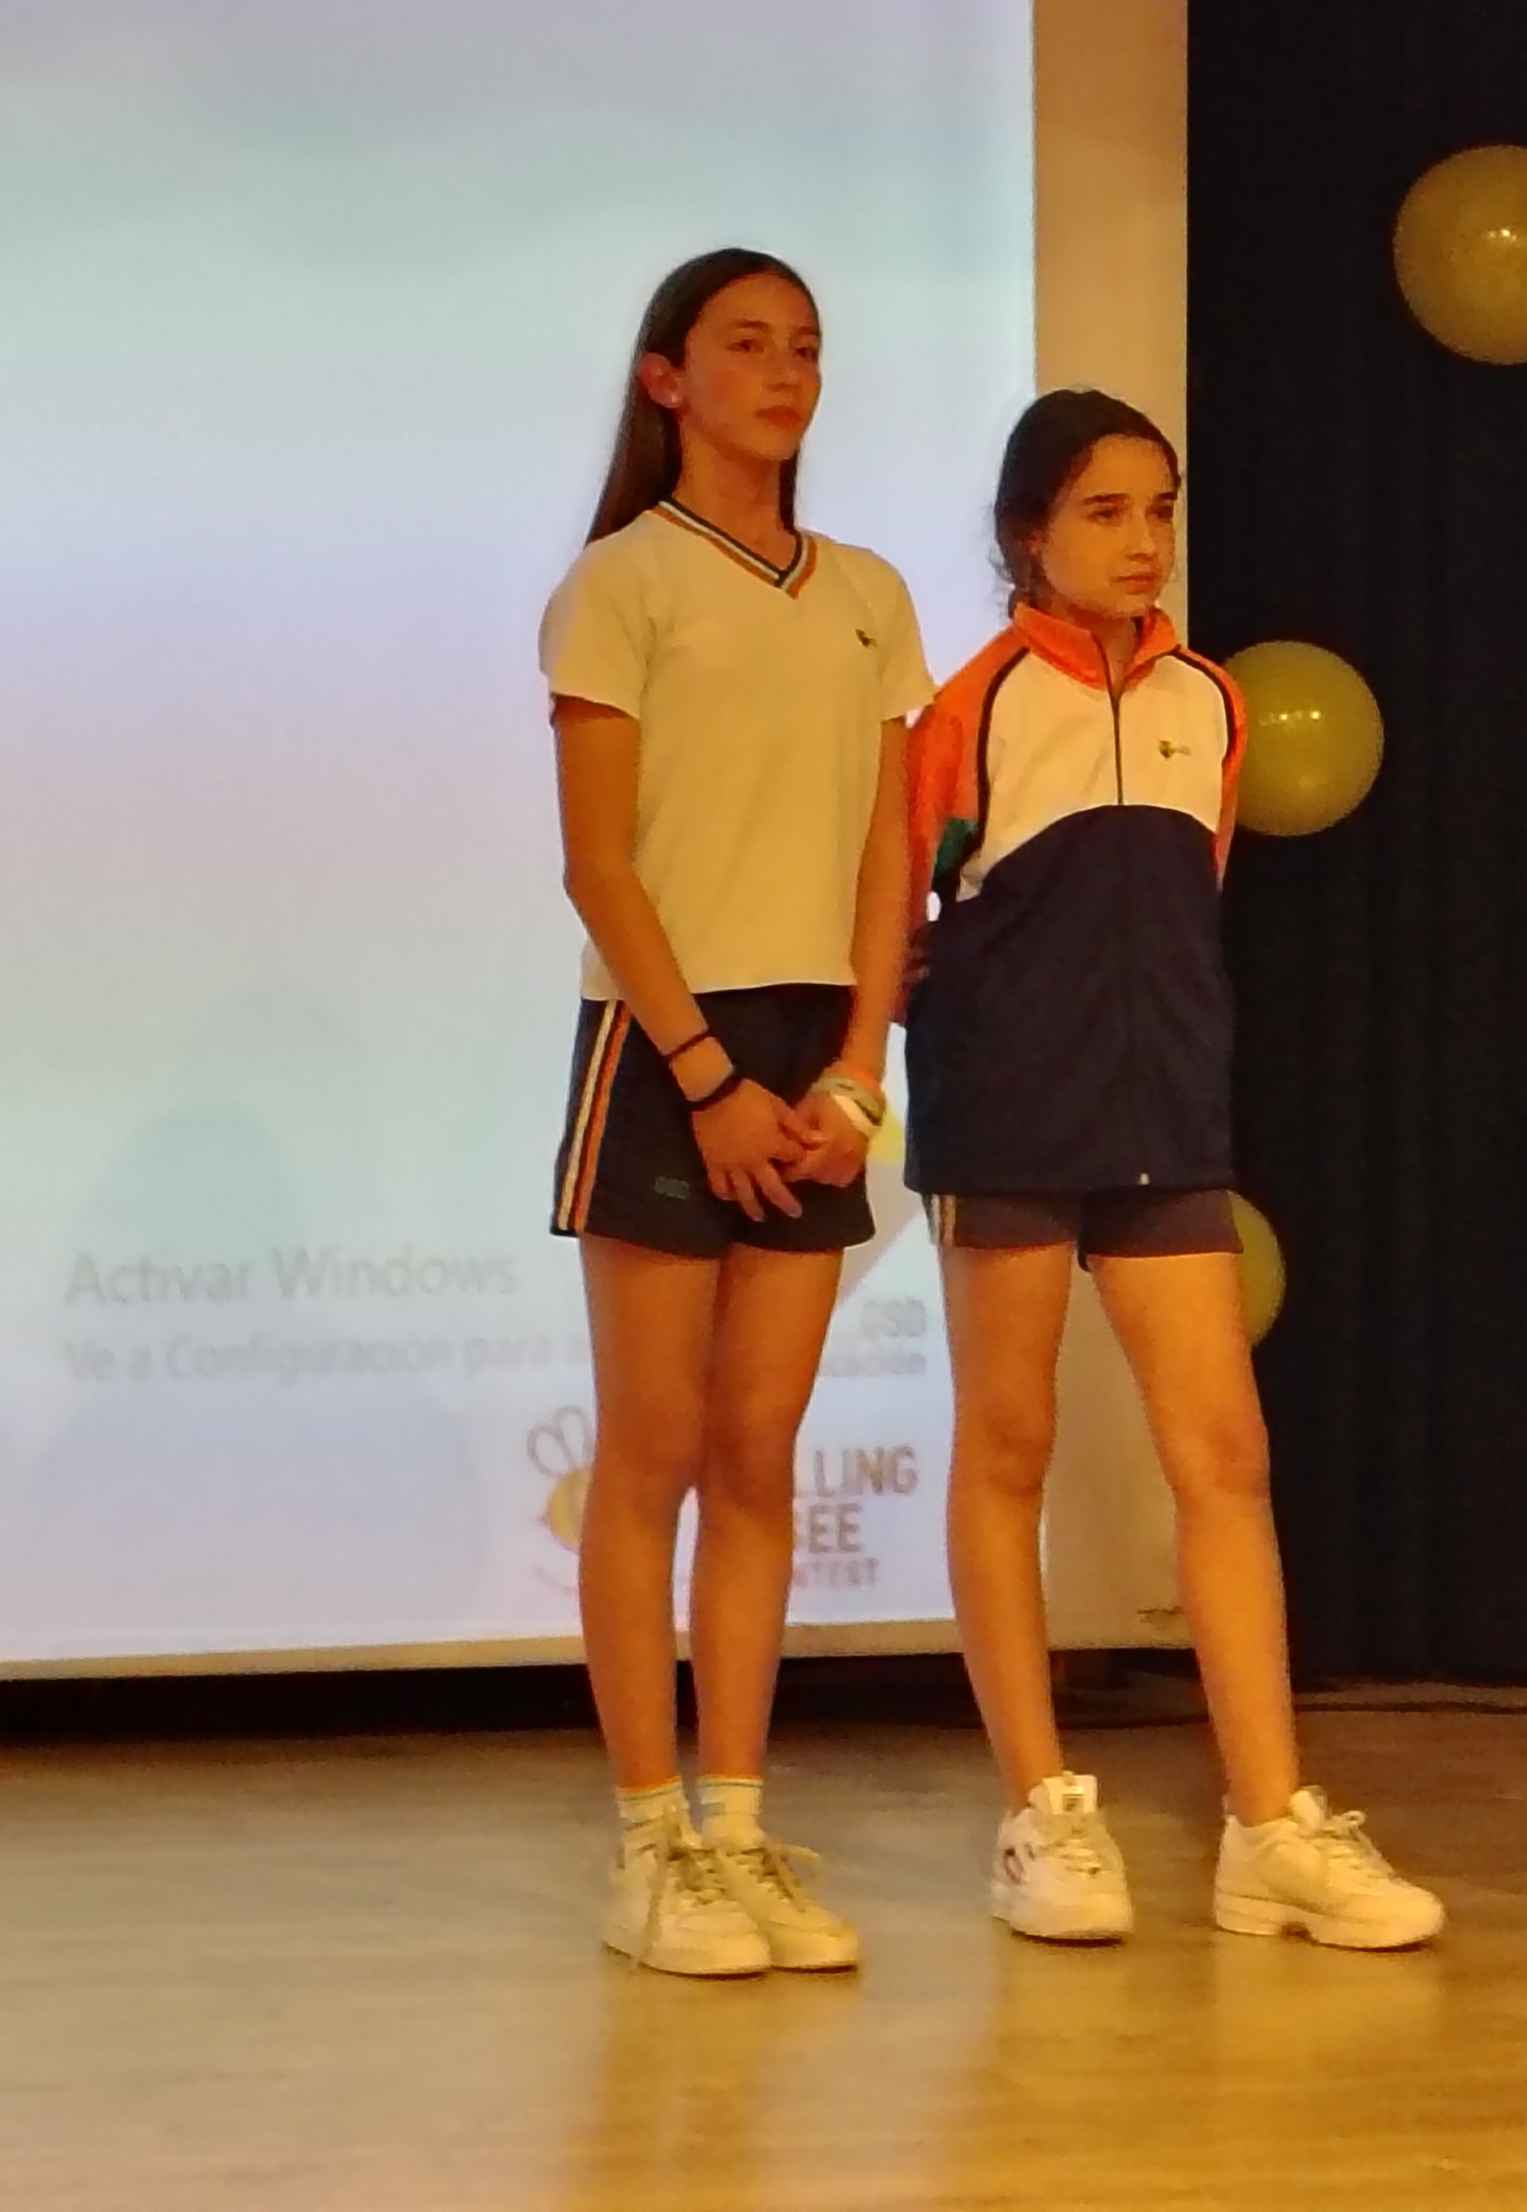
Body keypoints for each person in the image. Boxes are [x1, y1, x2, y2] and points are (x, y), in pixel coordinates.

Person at [904, 389, 1443, 1954]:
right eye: (1104, 513)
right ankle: (1041, 1812)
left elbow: (1193, 894)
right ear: (1028, 534)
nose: (1143, 542)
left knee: (1226, 1454)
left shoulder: (1211, 701)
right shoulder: (974, 707)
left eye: (1161, 511)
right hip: (1010, 1115)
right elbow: (916, 916)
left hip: (1165, 1123)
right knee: (1007, 1446)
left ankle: (1269, 1825)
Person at [540, 248, 931, 1978]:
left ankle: (742, 1825)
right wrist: (705, 1076)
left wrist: (856, 1071)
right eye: (747, 345)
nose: (784, 373)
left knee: (762, 1451)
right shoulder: (619, 583)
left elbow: (888, 852)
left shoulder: (868, 594)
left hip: (815, 1039)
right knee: (655, 1449)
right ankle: (650, 1849)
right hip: (662, 1039)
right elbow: (597, 863)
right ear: (667, 379)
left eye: (806, 348)